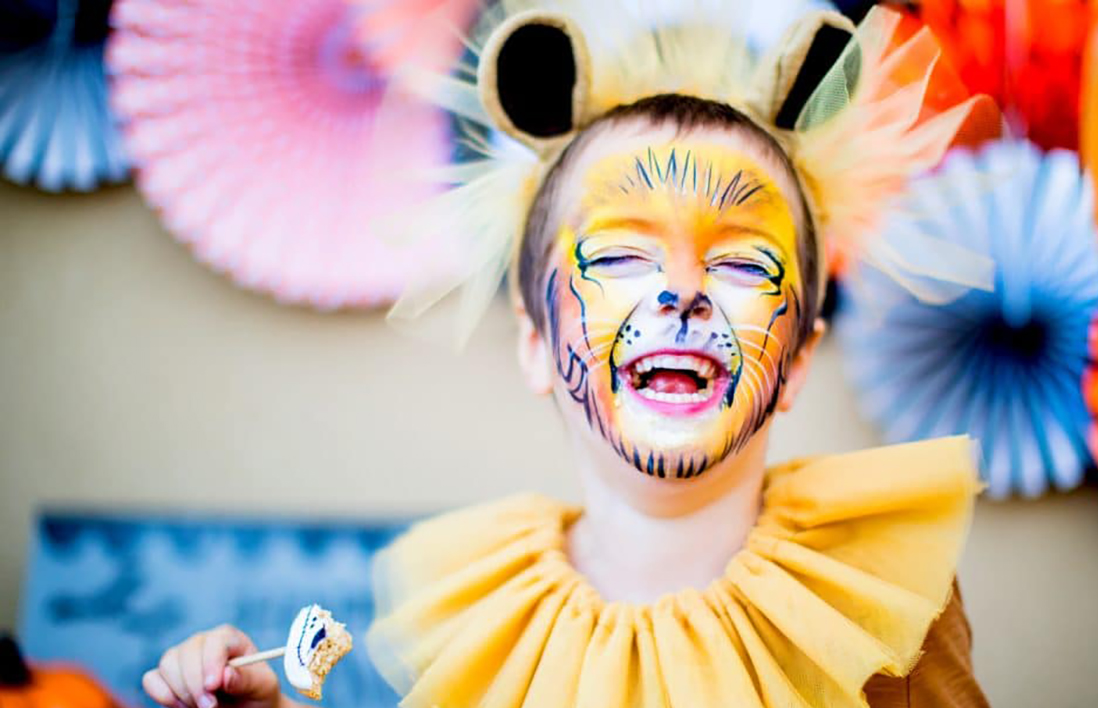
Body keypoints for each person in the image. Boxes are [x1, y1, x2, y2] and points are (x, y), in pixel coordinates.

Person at [144, 4, 998, 707]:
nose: (681, 291)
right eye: (621, 256)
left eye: (740, 262)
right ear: (535, 344)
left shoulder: (869, 602)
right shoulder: (486, 620)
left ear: (799, 361)